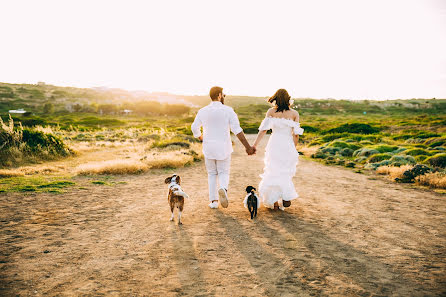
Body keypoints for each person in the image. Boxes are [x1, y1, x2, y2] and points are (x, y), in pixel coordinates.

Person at [191, 86, 256, 209]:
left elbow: (194, 127)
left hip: (208, 146)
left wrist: (200, 138)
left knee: (211, 174)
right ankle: (223, 189)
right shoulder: (228, 110)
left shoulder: (203, 111)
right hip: (224, 147)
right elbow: (237, 130)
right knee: (223, 172)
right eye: (223, 95)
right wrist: (248, 147)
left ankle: (214, 201)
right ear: (219, 95)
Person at [252, 89, 304, 210]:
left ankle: (274, 202)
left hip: (274, 143)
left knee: (272, 170)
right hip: (287, 144)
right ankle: (286, 195)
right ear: (288, 99)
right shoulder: (294, 113)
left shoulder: (271, 112)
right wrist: (293, 148)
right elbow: (296, 134)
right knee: (285, 170)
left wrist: (254, 145)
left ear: (276, 98)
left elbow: (263, 130)